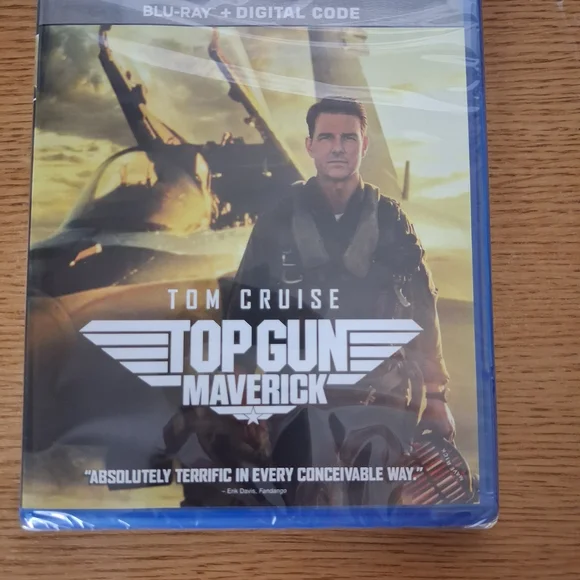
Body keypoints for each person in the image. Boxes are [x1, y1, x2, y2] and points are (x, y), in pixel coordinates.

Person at [226, 96, 455, 443]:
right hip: (296, 401)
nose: (337, 148)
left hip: (381, 401)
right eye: (326, 137)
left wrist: (436, 396)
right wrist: (241, 387)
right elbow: (244, 306)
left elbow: (422, 305)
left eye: (348, 138)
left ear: (364, 145)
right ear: (310, 146)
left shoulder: (390, 221)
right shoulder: (278, 220)